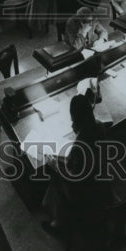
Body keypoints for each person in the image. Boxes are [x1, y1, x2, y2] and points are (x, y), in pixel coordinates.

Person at [42, 93, 113, 236]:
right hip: (102, 179)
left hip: (84, 191)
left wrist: (55, 165)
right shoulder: (99, 126)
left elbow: (72, 178)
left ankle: (59, 223)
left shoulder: (79, 146)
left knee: (54, 175)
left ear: (74, 118)